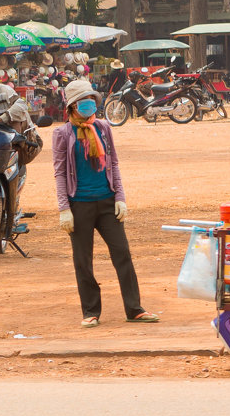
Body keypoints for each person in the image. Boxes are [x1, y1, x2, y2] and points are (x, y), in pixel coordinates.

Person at [52, 80, 158, 328]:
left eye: (91, 99)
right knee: (83, 260)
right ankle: (90, 310)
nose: (89, 104)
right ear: (71, 107)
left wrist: (120, 197)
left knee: (122, 254)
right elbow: (59, 173)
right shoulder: (62, 134)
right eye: (83, 101)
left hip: (107, 201)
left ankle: (134, 309)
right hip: (79, 205)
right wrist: (64, 209)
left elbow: (114, 164)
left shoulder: (103, 128)